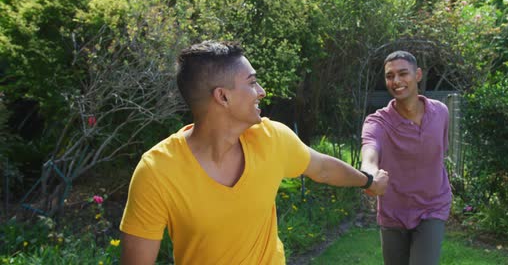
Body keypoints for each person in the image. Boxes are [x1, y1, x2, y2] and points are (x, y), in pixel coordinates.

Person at [119, 40, 389, 265]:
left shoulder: (272, 139)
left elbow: (323, 169)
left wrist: (368, 180)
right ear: (222, 97)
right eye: (251, 83)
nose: (261, 92)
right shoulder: (157, 171)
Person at [361, 51, 452, 265]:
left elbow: (440, 152)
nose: (396, 81)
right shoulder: (378, 122)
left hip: (432, 207)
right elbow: (369, 152)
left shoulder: (441, 112)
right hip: (393, 212)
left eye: (403, 73)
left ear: (418, 75)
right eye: (390, 76)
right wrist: (370, 175)